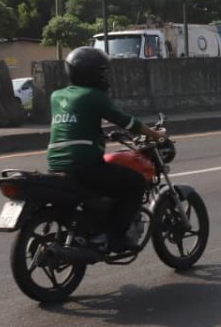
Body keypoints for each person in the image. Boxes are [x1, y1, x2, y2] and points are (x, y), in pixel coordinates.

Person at [47, 46, 164, 253]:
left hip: (56, 163)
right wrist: (156, 135)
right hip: (86, 164)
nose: (104, 77)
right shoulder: (93, 96)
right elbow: (126, 122)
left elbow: (77, 123)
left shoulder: (56, 96)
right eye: (101, 72)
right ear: (91, 73)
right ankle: (116, 237)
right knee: (135, 184)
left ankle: (96, 228)